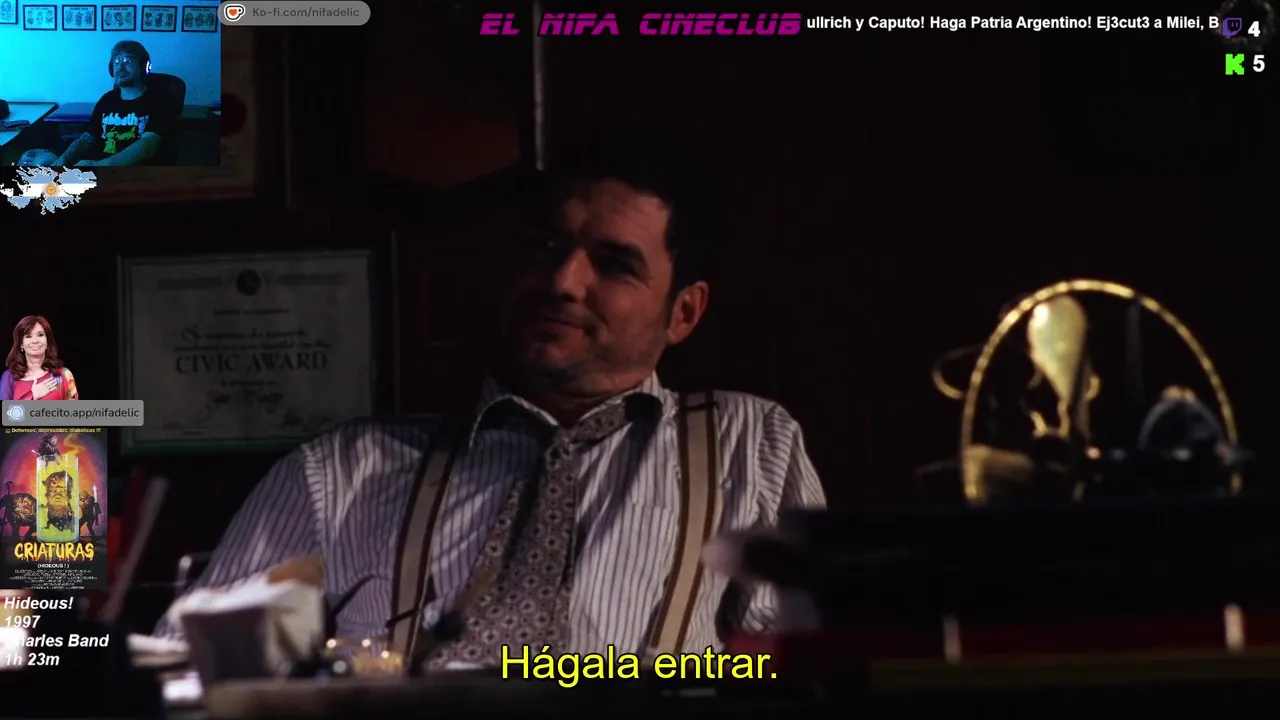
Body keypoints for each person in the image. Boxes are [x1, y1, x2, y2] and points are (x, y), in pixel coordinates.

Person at [153, 132, 827, 668]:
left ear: (683, 313)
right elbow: (196, 674)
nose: (563, 281)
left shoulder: (746, 445)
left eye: (614, 264)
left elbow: (811, 673)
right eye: (548, 246)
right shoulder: (340, 472)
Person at [18, 41, 174, 168]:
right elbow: (88, 137)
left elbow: (148, 145)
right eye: (116, 61)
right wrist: (64, 159)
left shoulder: (158, 100)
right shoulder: (107, 100)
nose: (121, 67)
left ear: (143, 66)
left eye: (128, 60)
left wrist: (101, 165)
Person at [1, 315, 79, 401]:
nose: (35, 341)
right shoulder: (9, 377)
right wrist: (33, 395)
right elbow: (5, 410)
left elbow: (74, 409)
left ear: (47, 341)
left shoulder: (63, 374)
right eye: (28, 336)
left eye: (40, 335)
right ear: (21, 344)